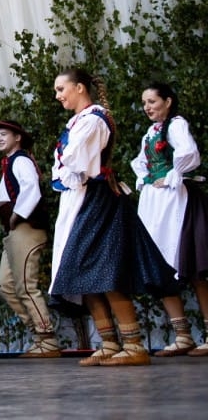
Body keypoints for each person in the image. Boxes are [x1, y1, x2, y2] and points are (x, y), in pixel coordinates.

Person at [49, 67, 178, 366]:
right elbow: (66, 165)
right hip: (81, 199)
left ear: (80, 87)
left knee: (106, 271)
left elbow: (74, 160)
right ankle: (108, 341)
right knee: (82, 272)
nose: (58, 96)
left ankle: (132, 344)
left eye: (61, 89)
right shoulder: (80, 121)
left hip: (98, 201)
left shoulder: (93, 120)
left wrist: (66, 164)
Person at [130, 82, 208, 356]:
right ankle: (182, 334)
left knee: (195, 265)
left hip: (177, 200)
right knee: (160, 265)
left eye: (152, 101)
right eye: (144, 103)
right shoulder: (150, 133)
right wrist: (147, 179)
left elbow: (187, 153)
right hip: (155, 204)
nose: (147, 107)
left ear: (168, 101)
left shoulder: (175, 125)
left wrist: (173, 174)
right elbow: (141, 163)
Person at [0, 119, 58, 357]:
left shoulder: (21, 160)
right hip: (15, 229)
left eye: (4, 134)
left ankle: (46, 338)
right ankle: (38, 331)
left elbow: (31, 189)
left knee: (26, 285)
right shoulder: (10, 162)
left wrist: (16, 215)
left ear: (18, 137)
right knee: (6, 285)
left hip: (26, 227)